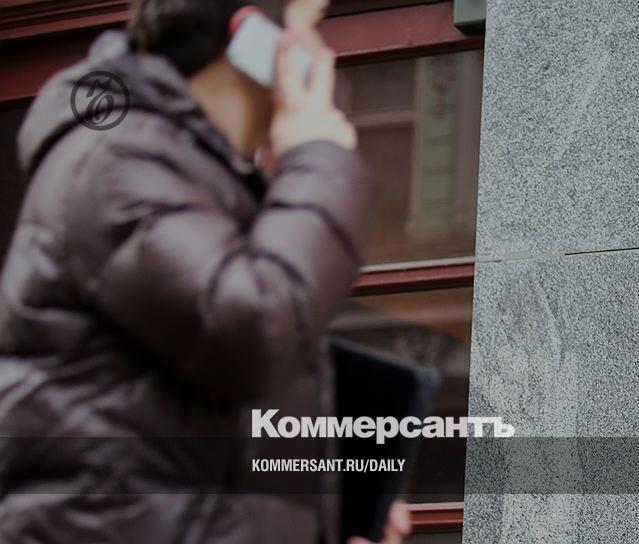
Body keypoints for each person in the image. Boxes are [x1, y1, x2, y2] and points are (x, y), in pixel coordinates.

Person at [0, 0, 410, 542]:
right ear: (251, 37)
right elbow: (254, 329)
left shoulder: (186, 173)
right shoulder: (114, 158)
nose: (324, 54)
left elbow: (208, 464)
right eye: (311, 29)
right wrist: (319, 159)